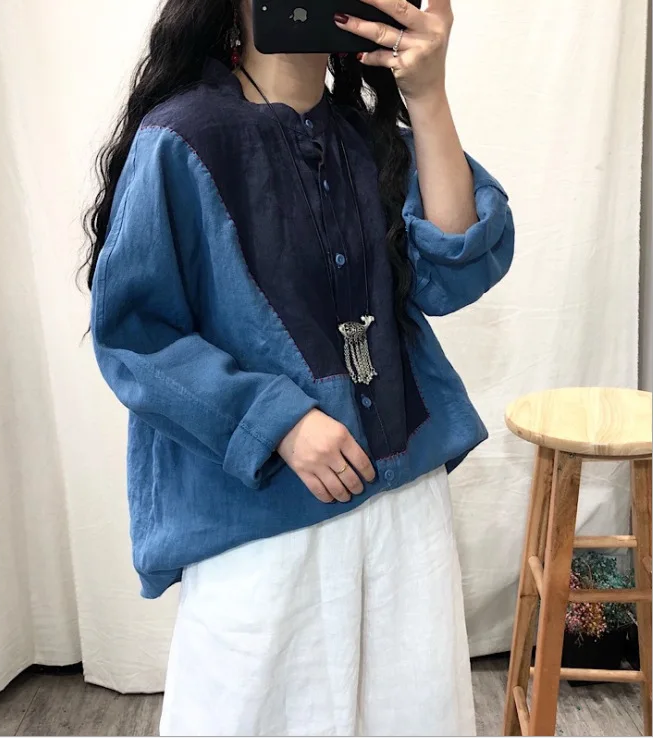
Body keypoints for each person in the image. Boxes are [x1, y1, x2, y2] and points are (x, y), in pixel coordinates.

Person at [85, 0, 514, 734]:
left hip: (402, 507)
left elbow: (454, 270)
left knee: (410, 714)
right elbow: (134, 334)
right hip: (263, 516)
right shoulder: (183, 139)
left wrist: (427, 94)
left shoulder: (369, 140)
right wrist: (277, 421)